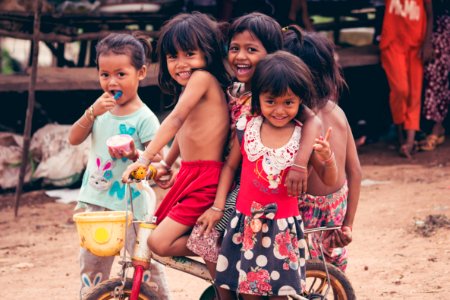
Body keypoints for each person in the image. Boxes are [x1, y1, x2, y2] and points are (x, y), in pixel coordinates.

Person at [200, 51, 335, 298]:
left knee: (279, 295)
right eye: (271, 101)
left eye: (289, 102)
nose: (279, 110)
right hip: (246, 227)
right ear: (258, 99)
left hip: (282, 233)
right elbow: (230, 167)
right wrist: (219, 207)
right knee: (248, 294)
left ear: (300, 101)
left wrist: (327, 157)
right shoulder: (246, 129)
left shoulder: (302, 138)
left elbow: (330, 179)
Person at [121, 12, 231, 275]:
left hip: (206, 179)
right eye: (173, 57)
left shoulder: (202, 79)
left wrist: (145, 159)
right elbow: (185, 129)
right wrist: (167, 163)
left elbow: (176, 118)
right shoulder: (190, 85)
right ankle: (214, 249)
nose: (181, 63)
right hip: (192, 175)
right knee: (158, 231)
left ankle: (225, 246)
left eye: (189, 54)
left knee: (158, 240)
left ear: (207, 54)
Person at [68, 33, 169, 298]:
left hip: (133, 205)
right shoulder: (99, 109)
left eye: (121, 74)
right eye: (105, 74)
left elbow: (159, 160)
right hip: (96, 202)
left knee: (145, 263)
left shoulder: (145, 118)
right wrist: (91, 113)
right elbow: (74, 138)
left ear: (141, 72)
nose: (112, 82)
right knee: (93, 265)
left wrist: (136, 154)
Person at [283, 25, 362, 272]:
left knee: (296, 274)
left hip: (306, 211)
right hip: (337, 207)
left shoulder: (297, 122)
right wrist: (347, 224)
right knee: (330, 273)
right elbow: (356, 171)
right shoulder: (336, 111)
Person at [379, 0, 433, 158]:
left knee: (415, 92)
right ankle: (401, 132)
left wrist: (427, 42)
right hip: (393, 43)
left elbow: (429, 14)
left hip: (416, 45)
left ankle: (409, 141)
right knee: (400, 89)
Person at [420, 0, 449, 151]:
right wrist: (428, 41)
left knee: (439, 77)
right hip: (436, 28)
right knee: (436, 76)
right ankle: (435, 126)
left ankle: (437, 127)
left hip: (442, 27)